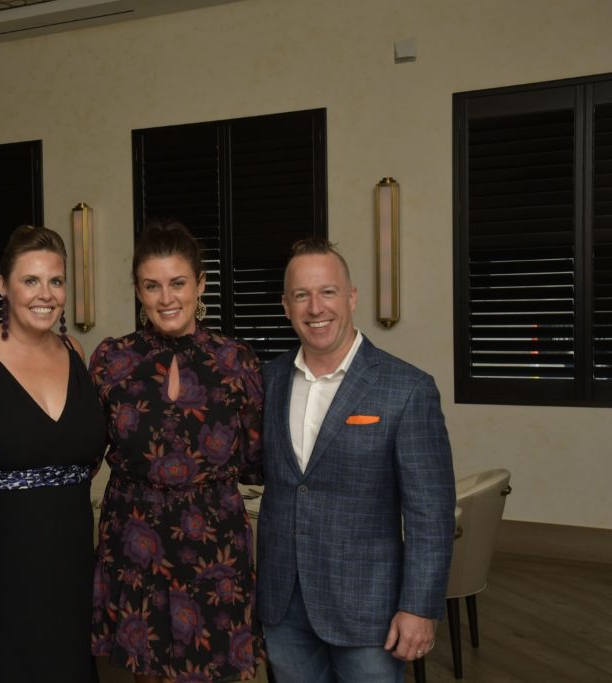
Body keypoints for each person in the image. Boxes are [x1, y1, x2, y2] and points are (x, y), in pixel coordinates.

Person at [257, 236, 456, 682]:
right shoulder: (266, 381)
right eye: (301, 295)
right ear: (285, 306)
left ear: (351, 297)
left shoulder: (406, 389)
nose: (315, 308)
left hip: (370, 610)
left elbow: (431, 515)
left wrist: (419, 607)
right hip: (283, 603)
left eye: (327, 292)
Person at [89, 220, 265, 683]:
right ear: (138, 291)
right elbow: (84, 452)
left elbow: (256, 456)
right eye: (152, 286)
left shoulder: (236, 361)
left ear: (200, 284)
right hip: (134, 536)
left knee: (213, 669)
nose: (166, 298)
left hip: (213, 539)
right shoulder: (112, 360)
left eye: (178, 283)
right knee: (146, 673)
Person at [0, 225, 106, 682]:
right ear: (2, 285)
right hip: (2, 559)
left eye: (56, 281)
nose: (46, 294)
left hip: (72, 554)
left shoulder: (76, 351)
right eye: (30, 280)